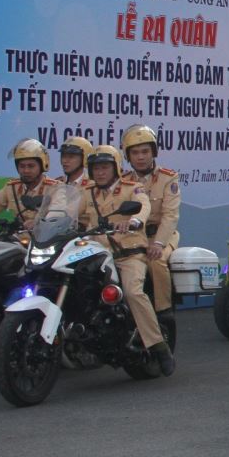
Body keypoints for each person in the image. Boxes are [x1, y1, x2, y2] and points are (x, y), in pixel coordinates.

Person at [80, 144, 174, 376]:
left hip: (128, 254)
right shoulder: (87, 192)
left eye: (104, 167)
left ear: (116, 168)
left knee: (132, 292)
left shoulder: (133, 188)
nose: (100, 172)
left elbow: (143, 207)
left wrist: (133, 221)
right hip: (97, 254)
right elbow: (65, 211)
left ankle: (158, 346)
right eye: (95, 168)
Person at [120, 124, 180, 326]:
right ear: (128, 156)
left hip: (161, 235)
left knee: (156, 261)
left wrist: (159, 244)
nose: (141, 157)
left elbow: (170, 216)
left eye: (145, 151)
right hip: (134, 236)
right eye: (135, 152)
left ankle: (164, 311)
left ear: (153, 152)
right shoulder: (123, 181)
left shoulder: (167, 177)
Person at [0, 139, 60, 231]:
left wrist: (38, 222)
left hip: (45, 241)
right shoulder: (12, 187)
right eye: (22, 166)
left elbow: (58, 212)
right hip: (18, 240)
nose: (26, 171)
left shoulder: (55, 188)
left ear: (43, 166)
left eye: (31, 166)